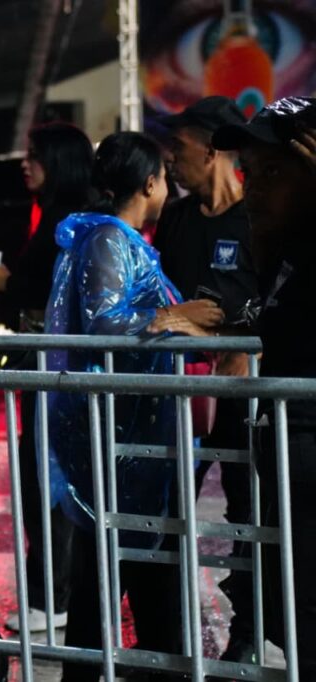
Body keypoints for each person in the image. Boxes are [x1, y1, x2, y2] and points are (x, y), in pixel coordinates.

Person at [45, 131, 223, 681]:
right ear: (149, 183)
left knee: (140, 580)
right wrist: (177, 317)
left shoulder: (113, 238)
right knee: (116, 581)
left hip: (136, 440)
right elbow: (103, 323)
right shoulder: (107, 239)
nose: (168, 186)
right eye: (164, 177)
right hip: (123, 445)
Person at [212, 96, 316, 679]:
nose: (250, 190)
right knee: (291, 622)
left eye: (273, 173)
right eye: (250, 174)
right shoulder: (289, 248)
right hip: (285, 455)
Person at [156, 96, 261, 663]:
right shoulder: (175, 217)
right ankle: (175, 641)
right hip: (179, 398)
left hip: (243, 398)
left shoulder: (257, 217)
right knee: (168, 516)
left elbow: (257, 306)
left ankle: (246, 636)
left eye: (181, 147)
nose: (171, 159)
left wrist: (215, 323)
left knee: (248, 520)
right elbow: (166, 304)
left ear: (217, 148)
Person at [0, 122, 94, 633]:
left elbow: (51, 291)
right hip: (47, 368)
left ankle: (53, 600)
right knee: (41, 479)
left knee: (51, 482)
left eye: (36, 155)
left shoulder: (70, 220)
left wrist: (8, 282)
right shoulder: (53, 212)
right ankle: (50, 596)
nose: (26, 163)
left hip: (59, 372)